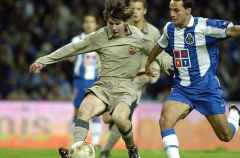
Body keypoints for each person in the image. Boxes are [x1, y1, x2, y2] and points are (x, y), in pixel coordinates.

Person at [145, 0, 240, 158]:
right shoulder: (169, 29)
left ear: (188, 10)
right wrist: (148, 62)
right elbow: (160, 45)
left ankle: (234, 114)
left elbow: (232, 30)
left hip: (206, 89)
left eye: (176, 10)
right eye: (170, 10)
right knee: (165, 121)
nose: (172, 14)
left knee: (225, 135)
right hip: (182, 90)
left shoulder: (204, 26)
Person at [29, 0, 155, 158]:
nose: (113, 28)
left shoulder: (138, 37)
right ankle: (75, 150)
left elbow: (157, 50)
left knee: (118, 118)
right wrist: (44, 60)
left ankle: (132, 148)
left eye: (117, 24)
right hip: (104, 85)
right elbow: (73, 48)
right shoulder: (100, 36)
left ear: (126, 22)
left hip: (126, 88)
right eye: (110, 23)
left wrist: (165, 66)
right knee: (84, 109)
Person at [100, 0, 173, 157]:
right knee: (109, 119)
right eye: (132, 9)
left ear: (144, 11)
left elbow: (158, 55)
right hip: (118, 77)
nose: (135, 12)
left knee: (120, 117)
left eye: (138, 9)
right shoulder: (122, 27)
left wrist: (153, 73)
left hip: (138, 81)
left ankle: (105, 151)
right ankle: (107, 148)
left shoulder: (153, 32)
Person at [71, 12, 102, 148]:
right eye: (86, 21)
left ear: (96, 24)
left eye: (91, 22)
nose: (89, 24)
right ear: (83, 24)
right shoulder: (76, 39)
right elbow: (70, 56)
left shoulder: (102, 39)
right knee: (77, 111)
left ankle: (95, 142)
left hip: (96, 80)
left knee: (95, 111)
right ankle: (77, 142)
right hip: (80, 80)